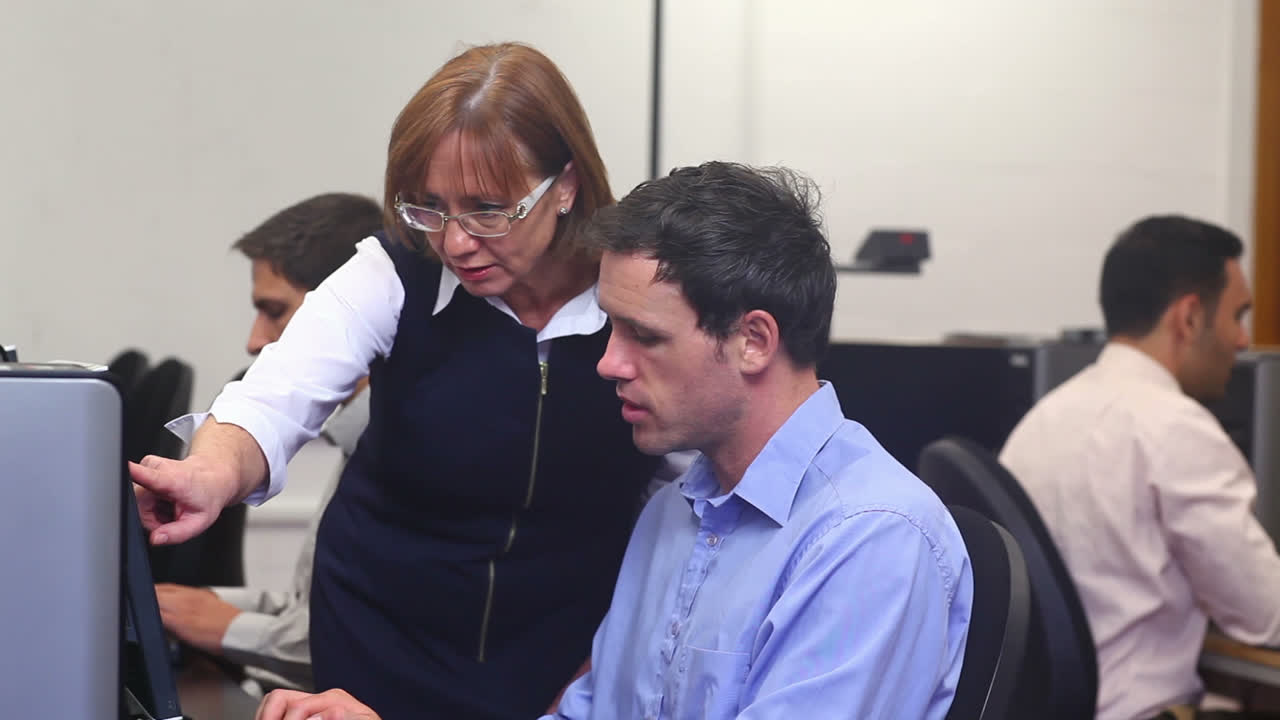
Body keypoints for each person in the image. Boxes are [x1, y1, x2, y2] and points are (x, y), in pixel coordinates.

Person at [254, 163, 974, 720]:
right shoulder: (673, 514)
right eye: (610, 328)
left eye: (644, 336)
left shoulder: (872, 540)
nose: (607, 363)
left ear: (754, 340)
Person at [130, 42, 677, 719]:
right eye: (429, 206)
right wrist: (209, 472)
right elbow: (274, 394)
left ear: (564, 185)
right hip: (374, 647)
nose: (455, 242)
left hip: (560, 660)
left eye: (488, 209)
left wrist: (611, 663)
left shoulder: (635, 297)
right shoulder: (393, 270)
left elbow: (680, 504)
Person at [999, 216, 1280, 720]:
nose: (1242, 340)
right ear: (1189, 317)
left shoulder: (1042, 421)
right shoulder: (1177, 429)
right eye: (1237, 315)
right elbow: (1266, 613)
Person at [154, 193, 383, 691]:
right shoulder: (359, 443)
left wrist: (228, 627)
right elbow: (314, 611)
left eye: (274, 311)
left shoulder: (403, 454)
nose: (255, 340)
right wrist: (186, 606)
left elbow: (377, 645)